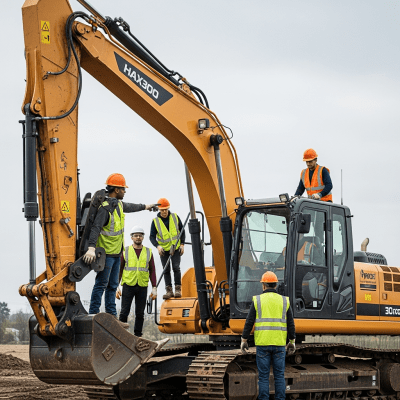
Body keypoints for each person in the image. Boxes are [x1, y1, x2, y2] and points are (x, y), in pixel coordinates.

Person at [83, 173, 158, 318]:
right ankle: (93, 314)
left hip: (117, 254)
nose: (125, 192)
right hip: (106, 254)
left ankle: (111, 316)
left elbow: (131, 206)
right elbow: (96, 228)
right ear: (116, 190)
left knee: (112, 286)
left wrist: (146, 206)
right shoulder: (105, 208)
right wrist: (91, 248)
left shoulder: (117, 205)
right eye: (123, 189)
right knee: (101, 284)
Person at [240, 271, 296, 400]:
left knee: (264, 377)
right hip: (279, 345)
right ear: (276, 285)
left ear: (263, 285)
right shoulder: (284, 301)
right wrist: (292, 341)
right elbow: (291, 324)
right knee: (279, 376)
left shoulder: (258, 300)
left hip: (263, 345)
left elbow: (249, 322)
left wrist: (244, 339)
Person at [116, 226, 157, 337]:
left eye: (140, 235)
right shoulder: (126, 251)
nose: (138, 237)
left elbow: (152, 270)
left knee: (140, 313)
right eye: (136, 235)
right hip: (128, 285)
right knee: (124, 311)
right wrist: (116, 286)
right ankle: (121, 335)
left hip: (142, 286)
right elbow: (119, 269)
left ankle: (138, 335)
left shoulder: (148, 252)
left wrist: (154, 287)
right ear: (132, 237)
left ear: (143, 237)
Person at [150, 198, 185, 299]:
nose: (164, 212)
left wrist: (182, 244)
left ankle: (178, 289)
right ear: (159, 210)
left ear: (168, 208)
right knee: (166, 270)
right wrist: (158, 246)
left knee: (176, 268)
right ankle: (169, 291)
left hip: (176, 248)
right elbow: (152, 236)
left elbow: (182, 230)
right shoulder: (155, 222)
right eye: (162, 210)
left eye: (165, 209)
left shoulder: (175, 217)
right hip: (163, 250)